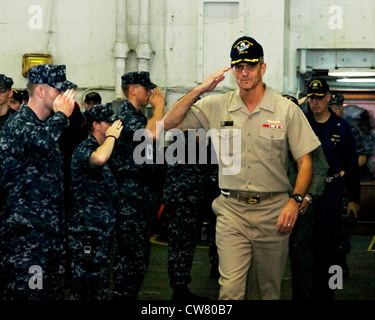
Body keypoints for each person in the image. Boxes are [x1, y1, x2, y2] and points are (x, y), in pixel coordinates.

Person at [162, 36, 321, 300]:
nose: (244, 72)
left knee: (267, 292)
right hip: (231, 212)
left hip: (273, 214)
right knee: (230, 292)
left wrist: (295, 200)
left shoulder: (285, 110)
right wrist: (200, 89)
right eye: (238, 66)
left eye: (250, 65)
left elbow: (306, 162)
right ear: (233, 70)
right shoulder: (217, 105)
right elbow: (169, 122)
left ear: (263, 67)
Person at [0, 64, 76, 299]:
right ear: (41, 91)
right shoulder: (20, 124)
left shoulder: (44, 127)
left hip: (47, 235)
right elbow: (39, 142)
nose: (64, 98)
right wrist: (62, 115)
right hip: (27, 238)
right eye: (58, 91)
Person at [110, 71, 165, 300]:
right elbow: (151, 135)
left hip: (140, 197)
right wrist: (159, 107)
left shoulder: (137, 115)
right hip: (130, 198)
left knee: (138, 258)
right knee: (129, 259)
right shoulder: (126, 114)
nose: (151, 93)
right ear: (133, 89)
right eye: (146, 89)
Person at [306, 78, 361, 300]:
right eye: (311, 97)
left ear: (328, 98)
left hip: (333, 192)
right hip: (307, 195)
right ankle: (309, 292)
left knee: (333, 248)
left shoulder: (342, 127)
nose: (315, 102)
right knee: (307, 248)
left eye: (319, 97)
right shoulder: (302, 123)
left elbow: (351, 165)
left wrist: (354, 199)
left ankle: (331, 291)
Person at [68, 103, 122, 300]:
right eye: (109, 122)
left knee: (99, 284)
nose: (114, 126)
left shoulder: (107, 149)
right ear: (96, 125)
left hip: (102, 229)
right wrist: (111, 137)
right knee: (84, 284)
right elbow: (98, 159)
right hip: (87, 230)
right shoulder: (86, 148)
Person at [283, 94, 329, 300]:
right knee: (266, 261)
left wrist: (308, 197)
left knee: (301, 259)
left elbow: (320, 171)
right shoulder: (267, 138)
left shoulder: (308, 138)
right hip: (271, 207)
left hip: (300, 208)